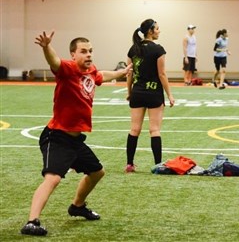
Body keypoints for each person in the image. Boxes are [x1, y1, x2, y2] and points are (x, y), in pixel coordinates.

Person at [21, 31, 132, 236]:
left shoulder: (90, 72)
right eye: (83, 51)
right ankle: (31, 222)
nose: (88, 55)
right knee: (53, 178)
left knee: (97, 172)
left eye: (90, 51)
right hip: (57, 136)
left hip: (75, 140)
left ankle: (77, 206)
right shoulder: (68, 69)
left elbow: (102, 76)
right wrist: (46, 47)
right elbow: (54, 62)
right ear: (73, 55)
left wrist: (121, 72)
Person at [125, 19, 175, 173]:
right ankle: (158, 165)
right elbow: (162, 74)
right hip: (154, 94)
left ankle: (129, 164)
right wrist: (170, 95)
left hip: (138, 93)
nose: (159, 31)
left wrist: (129, 92)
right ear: (151, 31)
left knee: (134, 129)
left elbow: (129, 74)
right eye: (157, 29)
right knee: (154, 130)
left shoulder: (133, 49)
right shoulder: (158, 49)